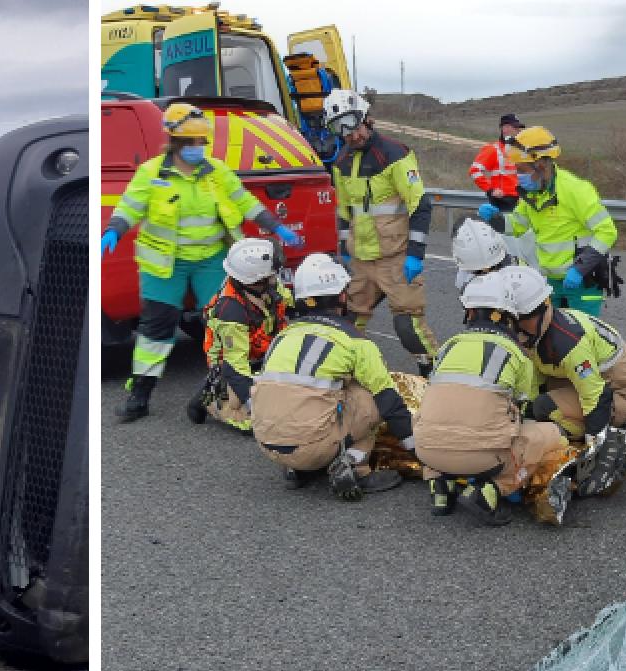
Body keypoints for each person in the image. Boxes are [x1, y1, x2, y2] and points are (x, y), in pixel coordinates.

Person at [101, 101, 302, 422]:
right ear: (175, 141)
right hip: (164, 263)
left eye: (201, 141)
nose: (198, 147)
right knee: (156, 330)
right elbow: (130, 205)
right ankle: (139, 394)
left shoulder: (216, 172)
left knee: (226, 322)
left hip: (211, 259)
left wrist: (275, 226)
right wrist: (115, 229)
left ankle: (226, 387)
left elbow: (244, 201)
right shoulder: (152, 173)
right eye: (191, 141)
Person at [250, 253, 413, 501]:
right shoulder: (354, 341)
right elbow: (389, 402)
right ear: (342, 296)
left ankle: (297, 469)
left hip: (267, 443)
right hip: (313, 447)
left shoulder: (283, 336)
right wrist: (419, 449)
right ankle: (354, 466)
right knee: (369, 394)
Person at [413, 273, 570, 526]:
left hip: (427, 453)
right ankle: (489, 492)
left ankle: (440, 487)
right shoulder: (515, 354)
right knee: (546, 434)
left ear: (469, 313)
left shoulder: (448, 346)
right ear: (509, 316)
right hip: (481, 460)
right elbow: (524, 407)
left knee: (439, 416)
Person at [323, 89, 439, 375]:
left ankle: (436, 374)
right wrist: (344, 252)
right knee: (347, 324)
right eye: (341, 129)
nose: (351, 135)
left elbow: (420, 205)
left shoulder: (394, 154)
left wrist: (415, 255)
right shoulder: (341, 163)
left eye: (353, 125)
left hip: (396, 258)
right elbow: (344, 212)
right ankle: (352, 375)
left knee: (408, 327)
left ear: (365, 117)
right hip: (361, 261)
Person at [504, 266, 626, 496]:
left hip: (623, 393)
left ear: (545, 307)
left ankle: (610, 436)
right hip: (586, 383)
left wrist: (593, 451)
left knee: (544, 408)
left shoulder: (569, 344)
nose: (516, 326)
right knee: (529, 407)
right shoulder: (538, 330)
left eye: (523, 318)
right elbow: (534, 379)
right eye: (511, 319)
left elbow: (596, 396)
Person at [478, 126, 619, 317]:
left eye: (522, 170)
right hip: (552, 281)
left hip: (583, 281)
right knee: (551, 334)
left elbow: (607, 231)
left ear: (541, 165)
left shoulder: (575, 190)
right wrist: (495, 219)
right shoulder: (533, 194)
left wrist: (579, 269)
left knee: (583, 334)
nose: (518, 176)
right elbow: (517, 225)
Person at [186, 238, 292, 432]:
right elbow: (235, 367)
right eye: (271, 274)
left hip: (262, 347)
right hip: (231, 362)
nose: (275, 277)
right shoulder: (231, 311)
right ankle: (212, 401)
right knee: (256, 421)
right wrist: (255, 405)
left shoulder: (262, 285)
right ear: (256, 279)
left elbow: (290, 302)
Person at [468, 114, 524, 212]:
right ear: (504, 129)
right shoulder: (493, 149)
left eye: (518, 128)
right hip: (502, 201)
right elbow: (474, 171)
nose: (518, 130)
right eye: (515, 127)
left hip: (520, 200)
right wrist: (491, 190)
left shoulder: (520, 150)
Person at [451, 218, 525, 291]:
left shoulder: (514, 267)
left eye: (492, 268)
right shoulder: (463, 280)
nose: (486, 272)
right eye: (479, 271)